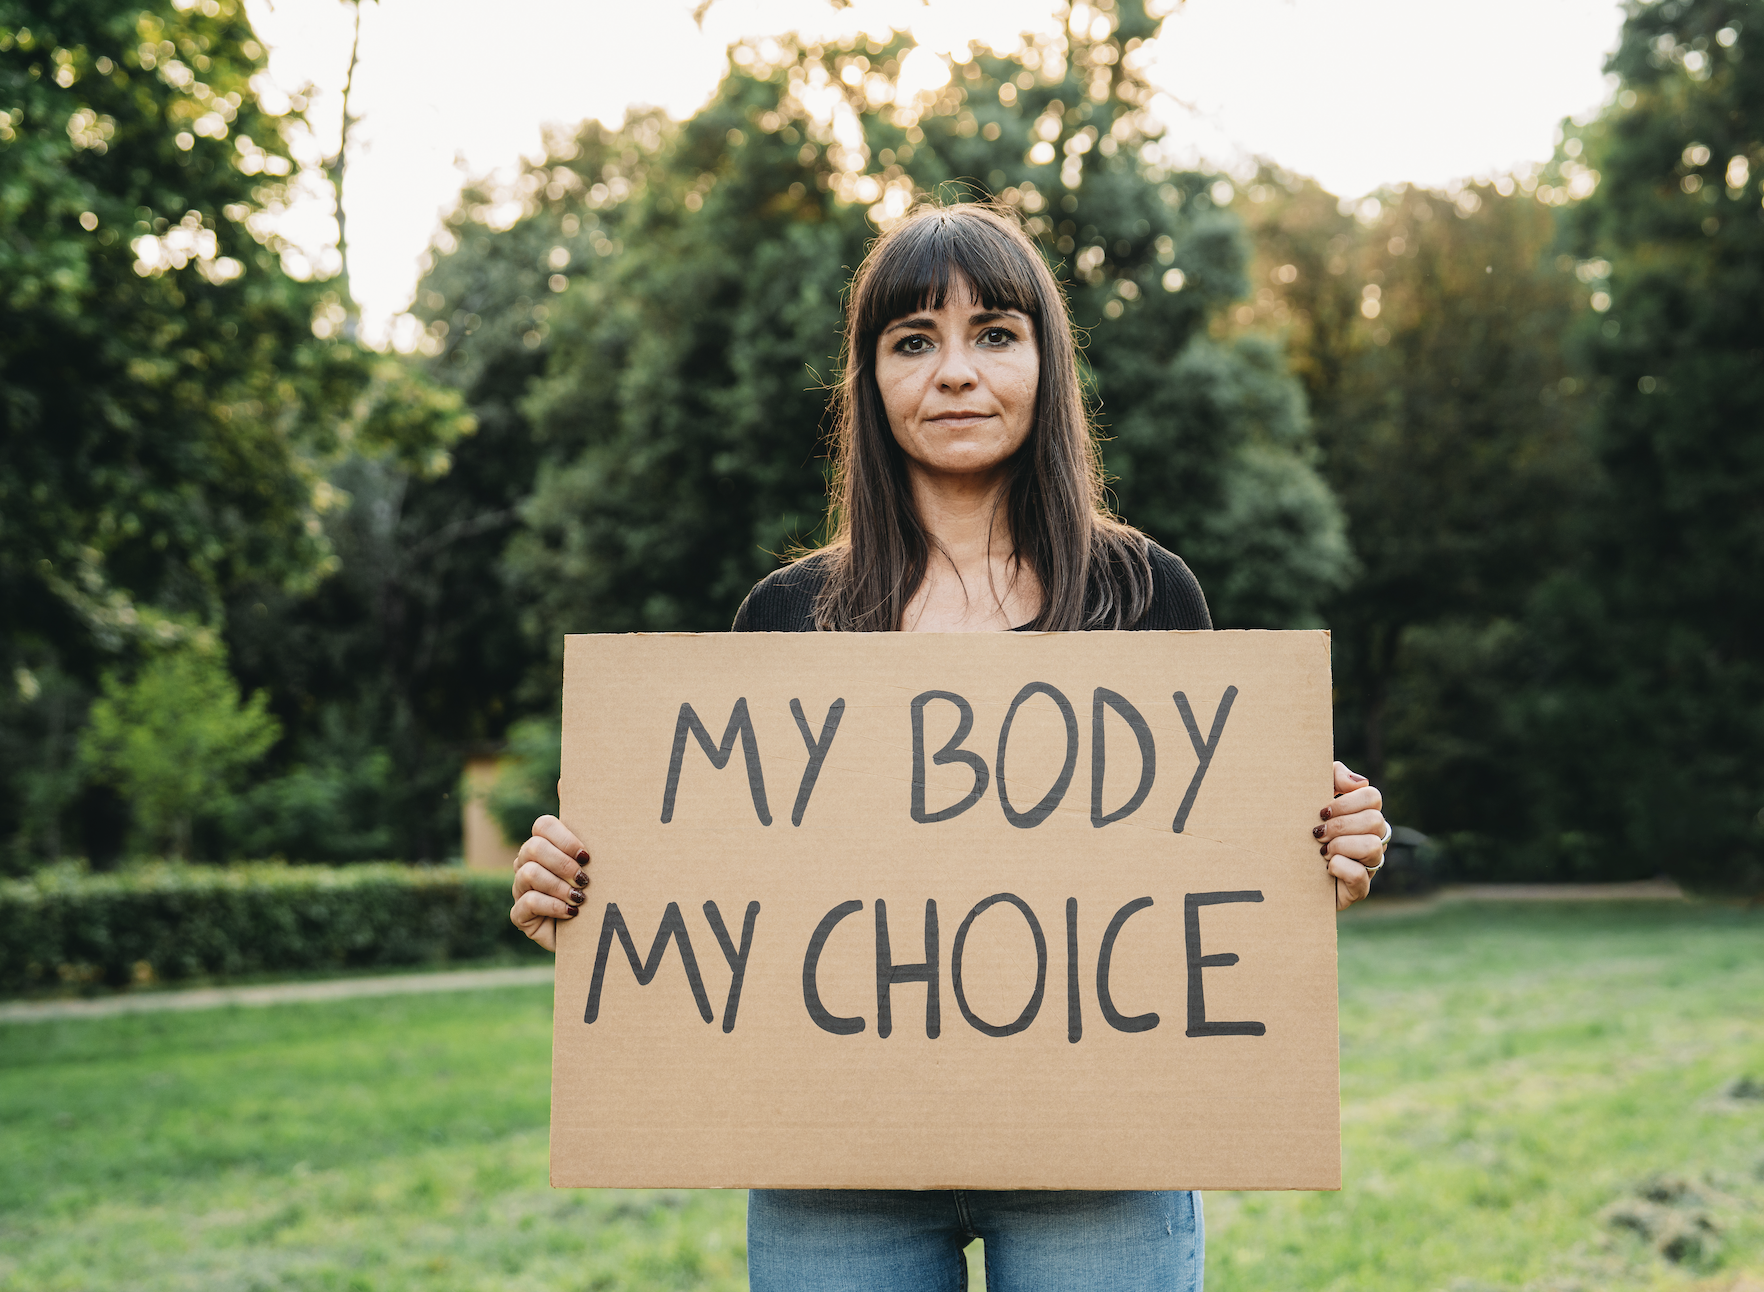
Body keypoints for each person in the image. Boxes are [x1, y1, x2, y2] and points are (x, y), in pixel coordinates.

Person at [509, 202, 1389, 1292]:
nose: (956, 371)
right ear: (870, 379)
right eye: (914, 340)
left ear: (1046, 361)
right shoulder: (787, 616)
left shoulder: (1147, 594)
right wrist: (590, 897)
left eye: (995, 334)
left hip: (1101, 1157)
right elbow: (729, 897)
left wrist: (1322, 855)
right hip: (836, 1167)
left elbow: (1204, 877)